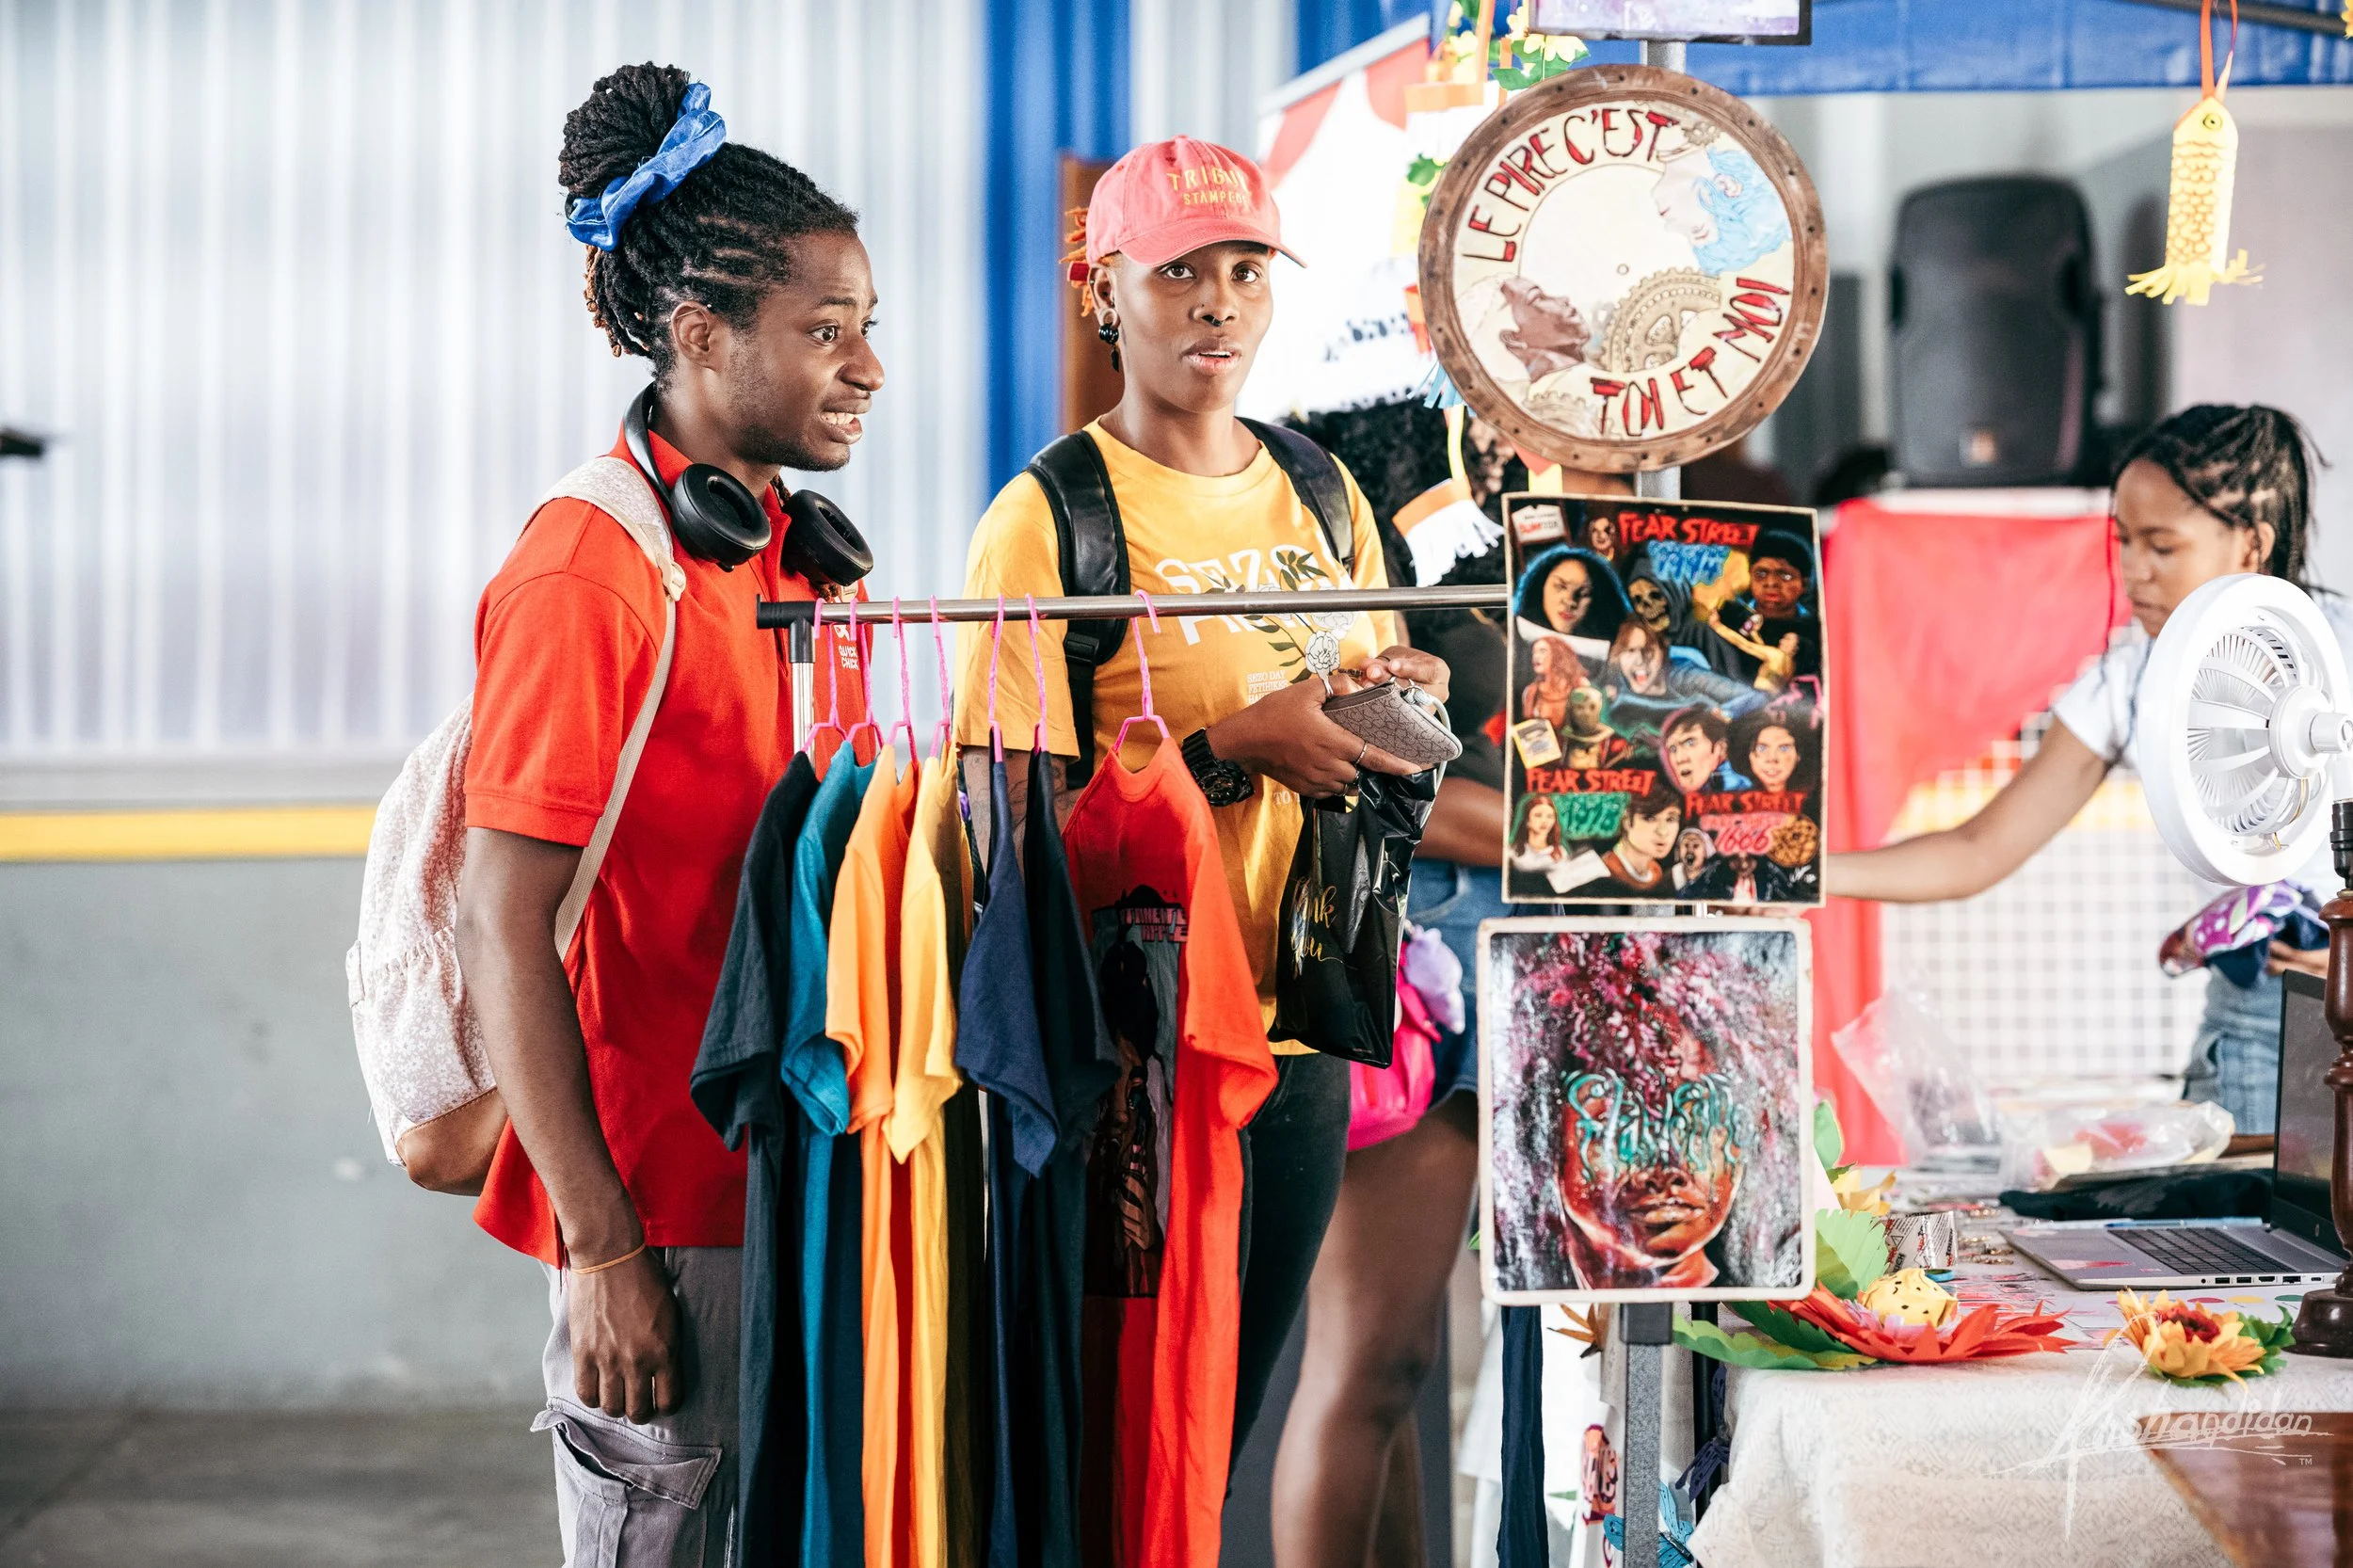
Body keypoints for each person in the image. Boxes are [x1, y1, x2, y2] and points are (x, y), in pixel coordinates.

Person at [949, 136, 1450, 1509]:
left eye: (1244, 268)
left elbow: (1370, 725)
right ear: (1101, 284)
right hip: (1138, 1053)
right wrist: (1228, 752)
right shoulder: (1048, 522)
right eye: (1178, 272)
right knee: (1126, 1436)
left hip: (1298, 1031)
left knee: (1217, 1428)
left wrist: (1404, 702)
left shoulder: (1329, 494)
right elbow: (1010, 827)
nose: (1218, 302)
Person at [453, 64, 882, 1568]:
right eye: (826, 330)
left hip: (798, 1168)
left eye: (866, 326)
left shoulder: (783, 552)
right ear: (699, 336)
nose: (868, 366)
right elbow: (501, 923)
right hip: (666, 1201)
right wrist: (605, 1247)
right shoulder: (594, 569)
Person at [1828, 405, 2333, 1133]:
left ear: (2250, 546)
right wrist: (1805, 877)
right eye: (2124, 541)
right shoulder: (2133, 679)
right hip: (2251, 1026)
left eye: (2163, 546)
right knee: (2251, 1241)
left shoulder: (2336, 659)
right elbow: (1979, 849)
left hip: (2332, 997)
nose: (2136, 572)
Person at [1597, 617, 1764, 736]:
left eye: (1649, 650)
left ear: (1664, 652)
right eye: (1630, 651)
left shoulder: (1687, 678)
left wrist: (1722, 714)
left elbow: (1755, 699)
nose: (1640, 660)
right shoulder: (1612, 683)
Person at [1594, 776, 1686, 896]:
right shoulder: (1598, 873)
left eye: (1671, 819)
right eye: (1650, 818)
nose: (1663, 831)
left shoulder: (1657, 874)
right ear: (1626, 821)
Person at [1660, 706, 1750, 794]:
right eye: (1673, 749)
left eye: (1690, 743)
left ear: (1722, 748)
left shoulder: (1740, 788)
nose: (1679, 759)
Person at [1521, 634, 1581, 731]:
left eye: (1542, 651)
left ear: (1557, 653)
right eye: (1534, 652)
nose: (1536, 656)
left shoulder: (1578, 685)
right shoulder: (1531, 691)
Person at [1509, 795, 1570, 876]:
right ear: (1527, 820)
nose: (1544, 821)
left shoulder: (1561, 853)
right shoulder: (1512, 851)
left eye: (1550, 816)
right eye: (1538, 815)